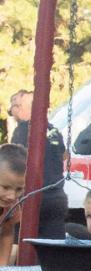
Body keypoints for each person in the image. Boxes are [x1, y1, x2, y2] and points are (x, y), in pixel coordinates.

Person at [8, 90, 67, 240]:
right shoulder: (53, 130)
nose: (13, 112)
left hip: (33, 198)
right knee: (53, 246)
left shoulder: (22, 130)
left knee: (21, 242)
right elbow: (64, 155)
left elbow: (16, 161)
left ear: (21, 108)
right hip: (57, 197)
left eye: (14, 107)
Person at [0, 144, 27, 266]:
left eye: (19, 189)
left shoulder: (11, 206)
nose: (11, 196)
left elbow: (6, 233)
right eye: (5, 187)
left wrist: (2, 267)